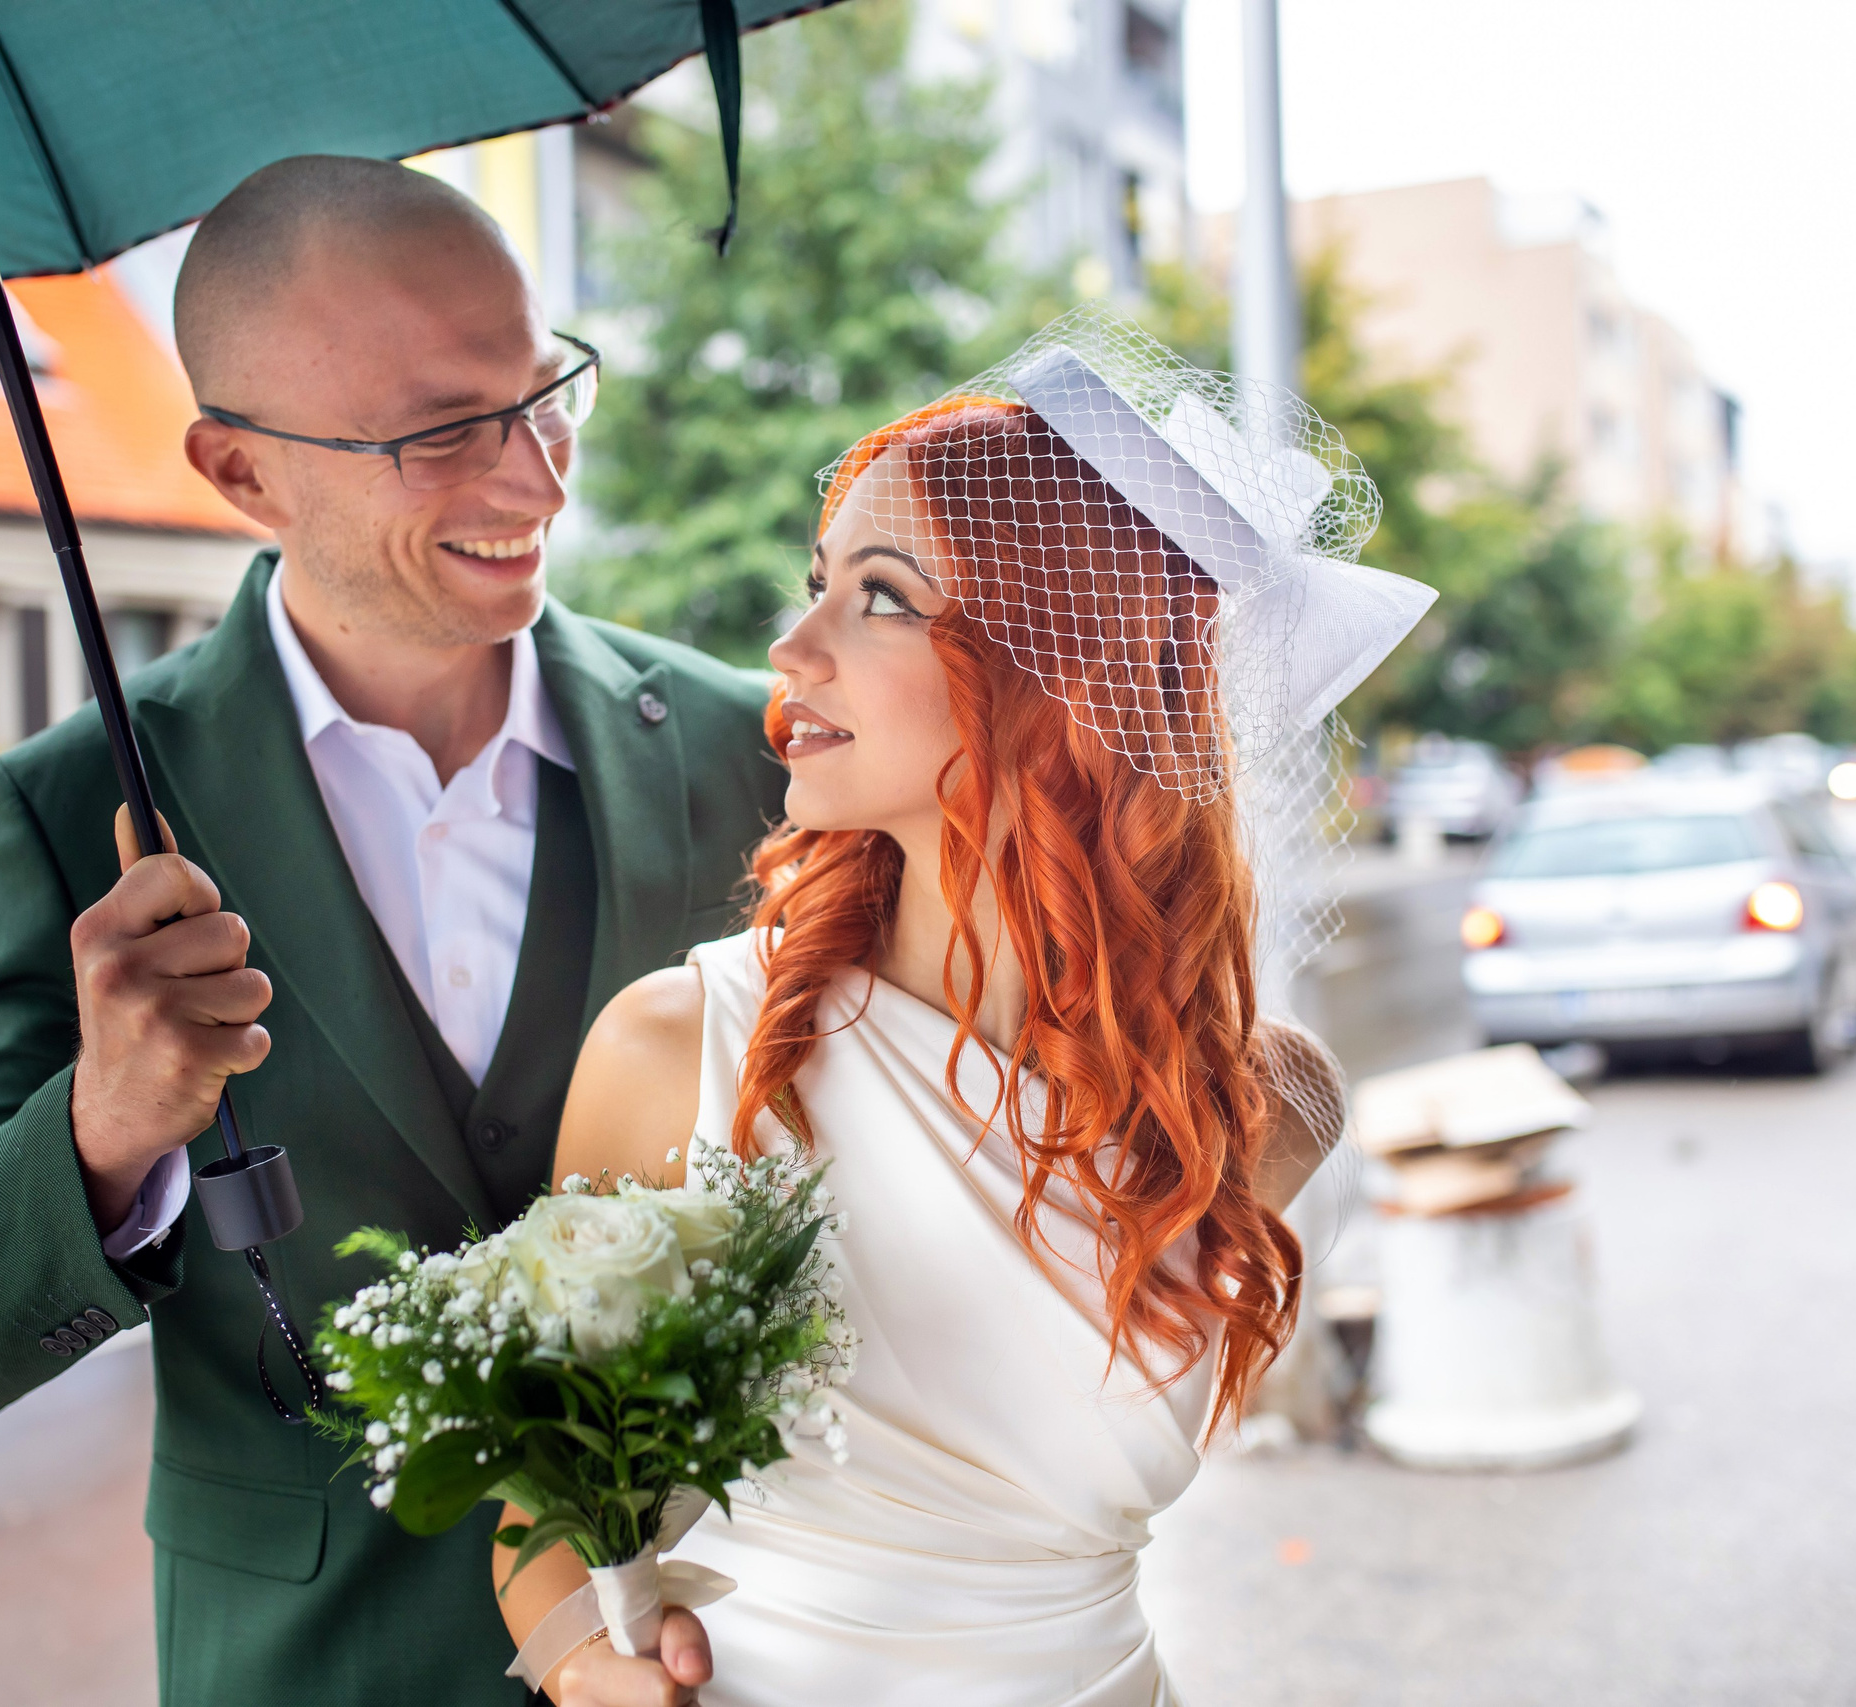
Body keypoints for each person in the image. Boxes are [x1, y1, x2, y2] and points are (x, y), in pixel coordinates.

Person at [0, 156, 777, 1705]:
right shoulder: (83, 809)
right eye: (441, 432)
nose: (540, 481)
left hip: (717, 1646)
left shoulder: (745, 750)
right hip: (313, 1666)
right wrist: (105, 1126)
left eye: (544, 395)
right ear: (242, 472)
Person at [492, 316, 1433, 1706]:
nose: (791, 645)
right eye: (815, 584)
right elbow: (540, 1492)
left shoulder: (1260, 1102)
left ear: (1061, 666)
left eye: (878, 595)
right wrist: (582, 1662)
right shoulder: (676, 1045)